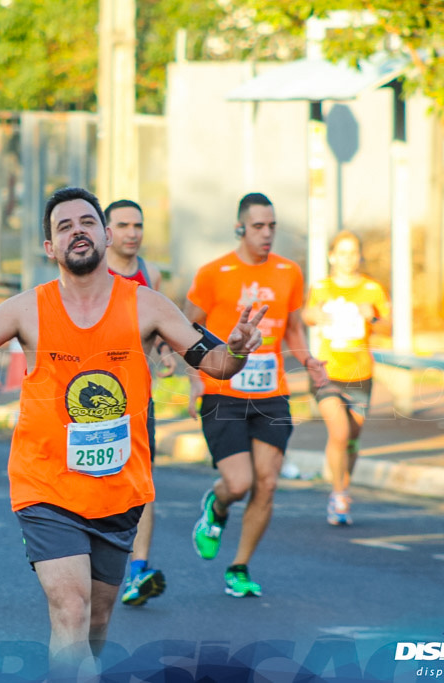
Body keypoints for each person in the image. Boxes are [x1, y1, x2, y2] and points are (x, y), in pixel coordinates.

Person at [0, 186, 265, 675]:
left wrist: (238, 349)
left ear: (105, 235)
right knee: (71, 611)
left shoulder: (147, 305)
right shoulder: (27, 309)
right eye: (64, 226)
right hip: (45, 486)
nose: (77, 231)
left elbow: (216, 363)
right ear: (50, 248)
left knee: (97, 624)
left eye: (86, 222)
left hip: (118, 491)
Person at [184, 192, 327, 598]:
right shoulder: (214, 273)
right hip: (223, 391)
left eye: (272, 226)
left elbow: (294, 329)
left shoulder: (289, 272)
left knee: (267, 483)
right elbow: (186, 328)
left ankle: (239, 567)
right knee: (240, 482)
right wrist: (195, 376)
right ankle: (217, 506)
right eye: (259, 226)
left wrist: (309, 361)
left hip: (271, 394)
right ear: (240, 228)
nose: (267, 234)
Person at [103, 198, 170, 607]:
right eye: (124, 225)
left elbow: (159, 323)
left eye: (138, 225)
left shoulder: (152, 274)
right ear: (107, 231)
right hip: (94, 400)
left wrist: (163, 351)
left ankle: (138, 570)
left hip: (139, 399)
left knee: (142, 487)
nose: (132, 232)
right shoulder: (93, 274)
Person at [301, 231, 391, 526]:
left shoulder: (371, 289)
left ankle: (344, 485)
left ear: (360, 256)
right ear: (332, 256)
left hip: (360, 373)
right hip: (327, 372)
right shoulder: (322, 287)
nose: (348, 259)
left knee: (351, 439)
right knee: (339, 432)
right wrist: (315, 314)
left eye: (353, 253)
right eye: (342, 253)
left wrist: (374, 315)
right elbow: (307, 315)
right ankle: (338, 494)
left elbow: (389, 325)